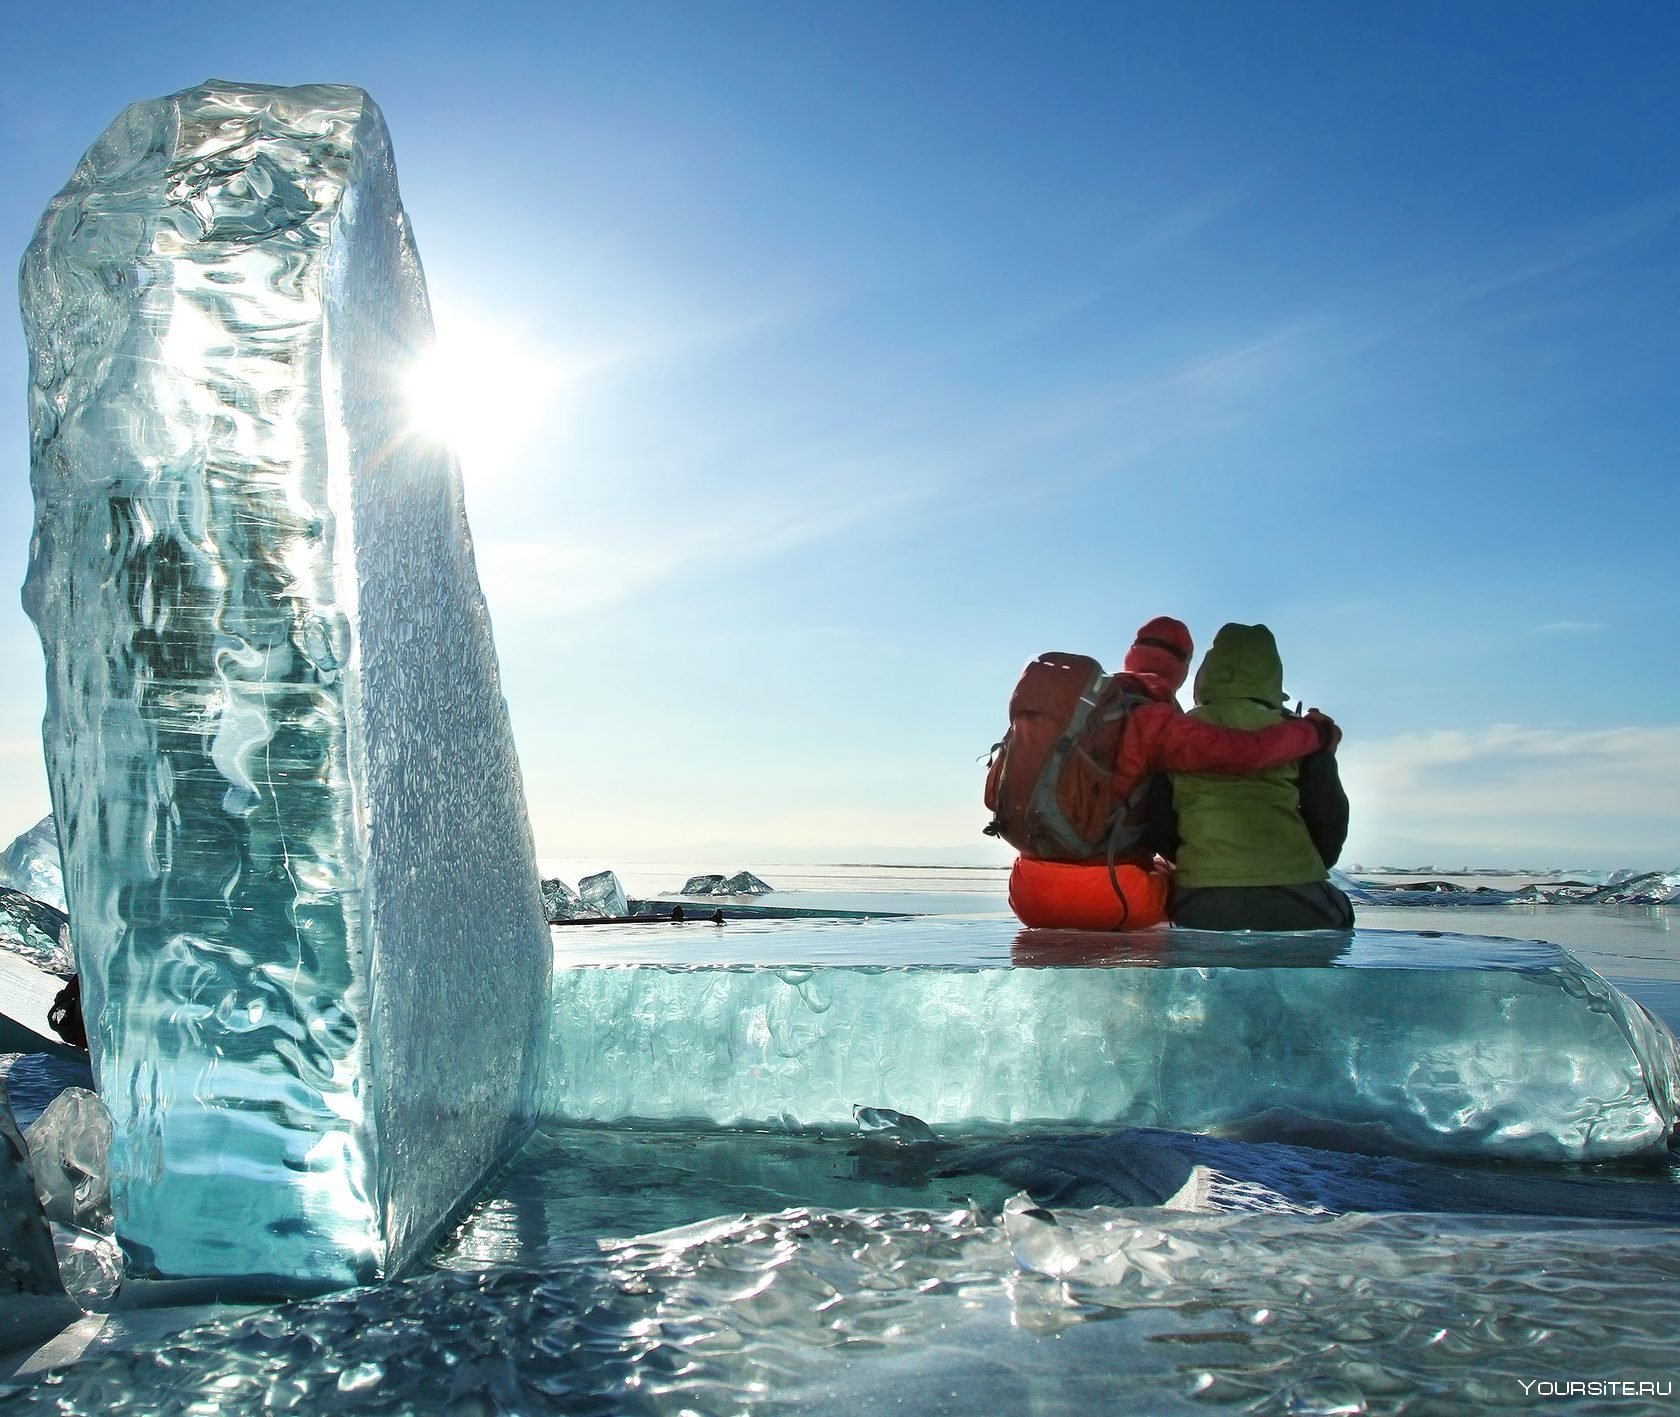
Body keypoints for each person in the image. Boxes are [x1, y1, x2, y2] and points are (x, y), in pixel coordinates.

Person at [1008, 617, 1338, 931]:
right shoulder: (1161, 724)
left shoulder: (1086, 712)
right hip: (1115, 895)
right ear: (1182, 669)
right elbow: (1245, 752)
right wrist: (1315, 734)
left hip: (1026, 891)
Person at [1159, 622, 1354, 931]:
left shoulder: (1177, 735)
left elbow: (1157, 820)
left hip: (1202, 898)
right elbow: (1330, 820)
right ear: (1273, 678)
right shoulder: (1301, 736)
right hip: (1298, 895)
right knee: (1342, 911)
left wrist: (1199, 864)